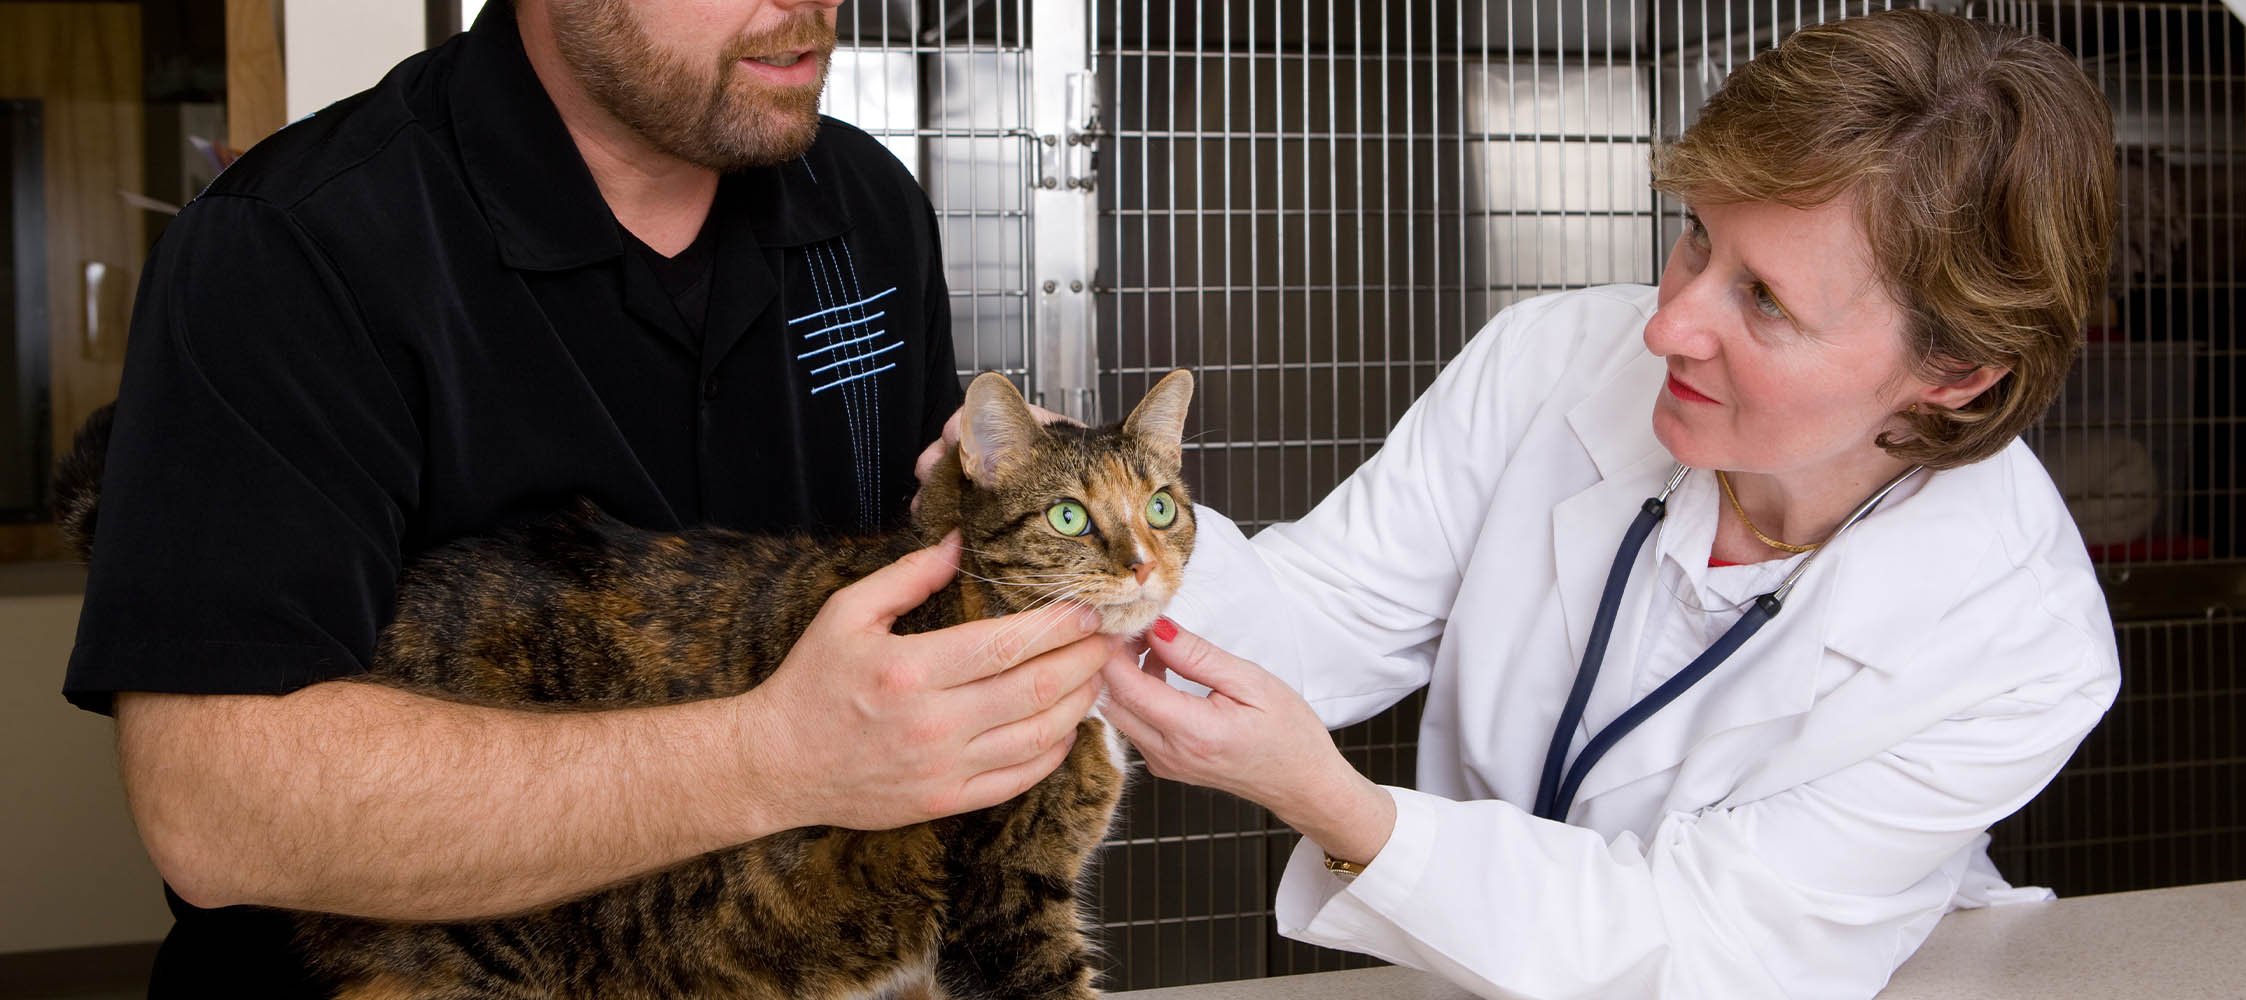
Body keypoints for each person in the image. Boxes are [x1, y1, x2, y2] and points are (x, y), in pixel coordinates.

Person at [63, 0, 1123, 994]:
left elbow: (897, 594)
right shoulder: (290, 241)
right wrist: (773, 755)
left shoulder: (864, 204)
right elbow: (217, 814)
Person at [1098, 10, 2122, 999]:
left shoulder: (2021, 647)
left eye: (1766, 299)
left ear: (1955, 372)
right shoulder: (1553, 359)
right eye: (1697, 237)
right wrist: (1084, 541)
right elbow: (1323, 615)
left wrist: (1336, 805)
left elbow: (1710, 942)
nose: (1668, 326)